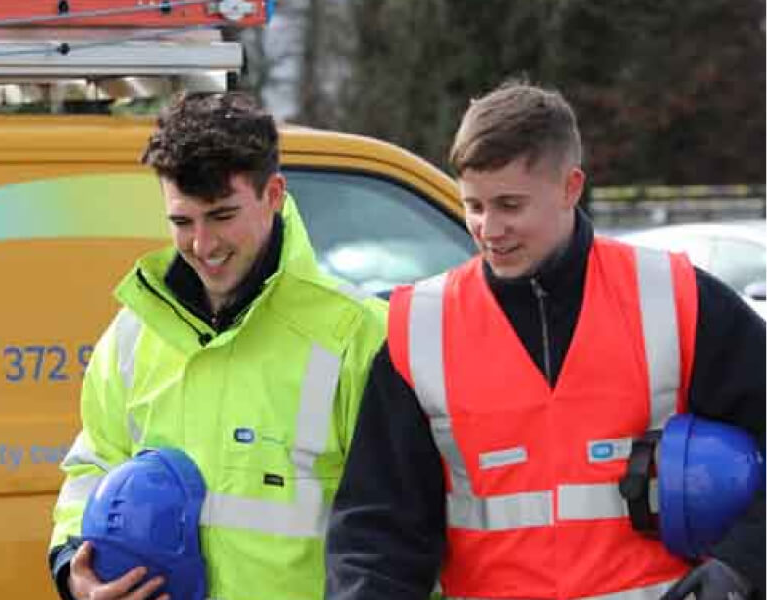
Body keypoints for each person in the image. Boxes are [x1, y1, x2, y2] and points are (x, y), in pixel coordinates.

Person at [325, 81, 765, 600]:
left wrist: (743, 565)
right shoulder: (422, 327)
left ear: (570, 187)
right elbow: (376, 531)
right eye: (474, 206)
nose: (490, 229)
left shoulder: (674, 298)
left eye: (510, 205)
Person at [47, 91, 386, 600]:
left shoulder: (359, 336)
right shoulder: (133, 333)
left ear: (273, 194)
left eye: (222, 216)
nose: (203, 246)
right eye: (182, 222)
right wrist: (77, 567)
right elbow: (92, 468)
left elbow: (399, 536)